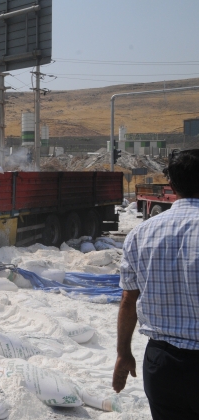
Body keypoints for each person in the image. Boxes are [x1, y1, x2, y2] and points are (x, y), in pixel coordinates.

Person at [112, 149, 199, 419]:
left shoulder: (141, 233)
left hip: (161, 365)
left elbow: (129, 300)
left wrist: (123, 353)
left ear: (171, 184)